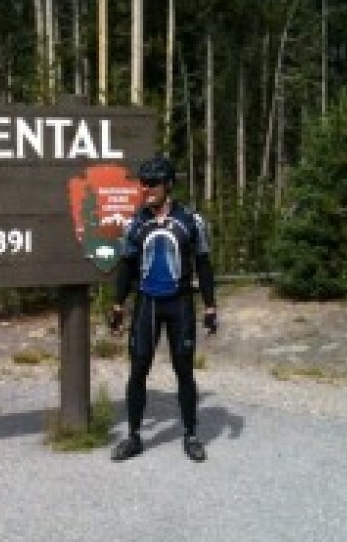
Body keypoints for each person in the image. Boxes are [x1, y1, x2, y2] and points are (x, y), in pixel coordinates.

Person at [108, 155, 218, 463]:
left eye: (153, 183)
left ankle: (191, 434)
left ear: (168, 184)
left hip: (180, 303)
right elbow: (126, 267)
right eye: (143, 183)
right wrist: (118, 305)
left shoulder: (191, 221)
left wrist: (210, 307)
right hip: (147, 305)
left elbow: (205, 266)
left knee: (184, 370)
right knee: (138, 370)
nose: (146, 188)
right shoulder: (135, 223)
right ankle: (133, 436)